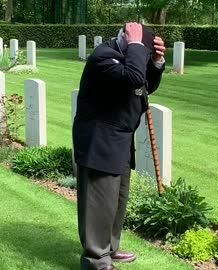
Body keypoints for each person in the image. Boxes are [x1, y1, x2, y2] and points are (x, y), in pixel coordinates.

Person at [72, 22, 166, 270]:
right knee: (99, 202)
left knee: (116, 200)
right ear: (126, 40)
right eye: (140, 51)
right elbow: (132, 77)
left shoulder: (127, 57)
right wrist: (136, 44)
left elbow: (144, 85)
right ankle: (95, 259)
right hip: (99, 139)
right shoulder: (103, 57)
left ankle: (109, 248)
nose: (142, 57)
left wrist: (156, 62)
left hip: (120, 139)